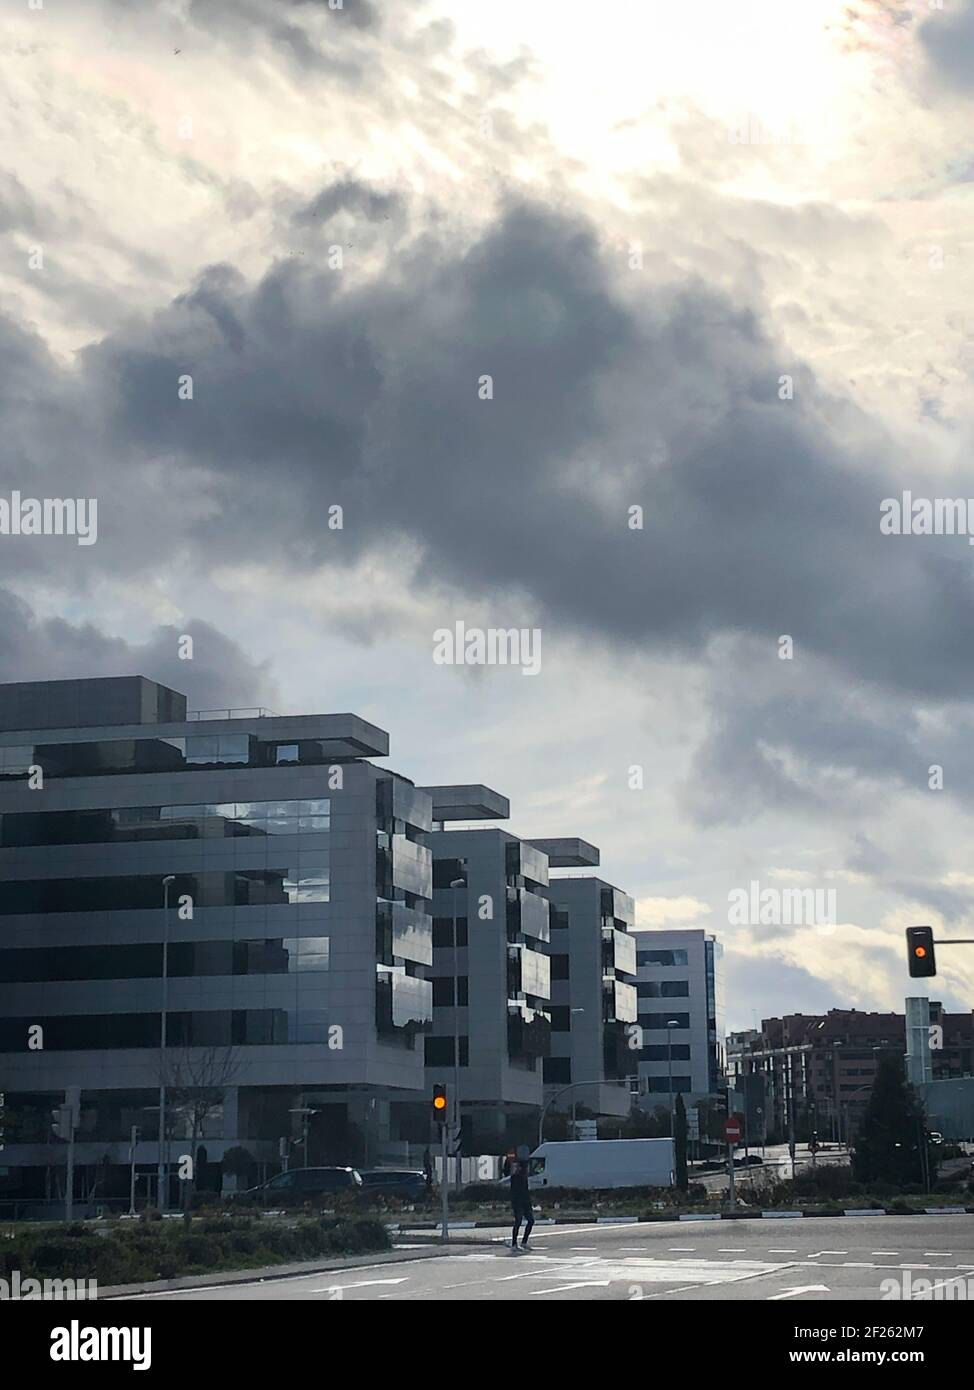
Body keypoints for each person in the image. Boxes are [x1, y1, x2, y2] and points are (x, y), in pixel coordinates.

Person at [502, 1151, 534, 1250]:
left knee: (531, 1220)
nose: (528, 1170)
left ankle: (524, 1242)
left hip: (525, 1200)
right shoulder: (516, 1176)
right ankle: (514, 1244)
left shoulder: (524, 1177)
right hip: (517, 1200)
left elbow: (526, 1188)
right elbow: (515, 1189)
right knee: (518, 1221)